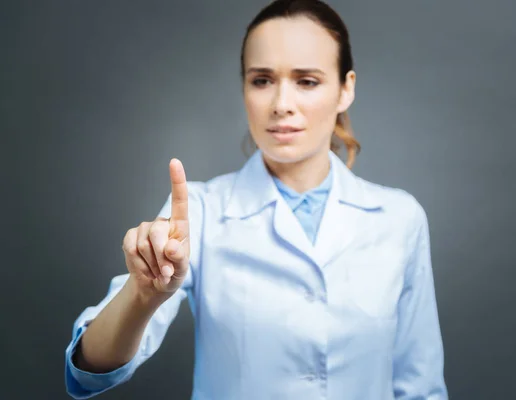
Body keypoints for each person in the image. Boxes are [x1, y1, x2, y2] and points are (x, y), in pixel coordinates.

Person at [64, 0, 448, 399]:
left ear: (345, 89)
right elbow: (89, 372)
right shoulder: (200, 211)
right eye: (262, 80)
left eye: (307, 81)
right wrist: (141, 296)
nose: (281, 104)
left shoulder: (400, 218)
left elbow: (420, 387)